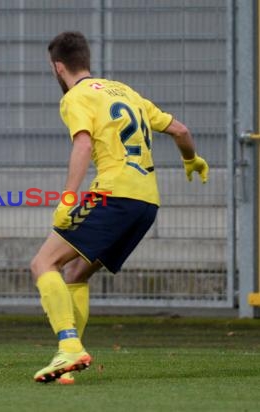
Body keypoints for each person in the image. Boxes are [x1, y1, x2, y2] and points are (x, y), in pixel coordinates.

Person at [30, 31, 209, 384]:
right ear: (88, 61)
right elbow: (181, 130)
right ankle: (69, 359)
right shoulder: (126, 92)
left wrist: (68, 198)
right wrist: (192, 160)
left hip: (112, 195)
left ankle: (68, 347)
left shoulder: (76, 97)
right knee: (76, 273)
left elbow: (82, 144)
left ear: (58, 67)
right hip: (147, 203)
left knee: (43, 262)